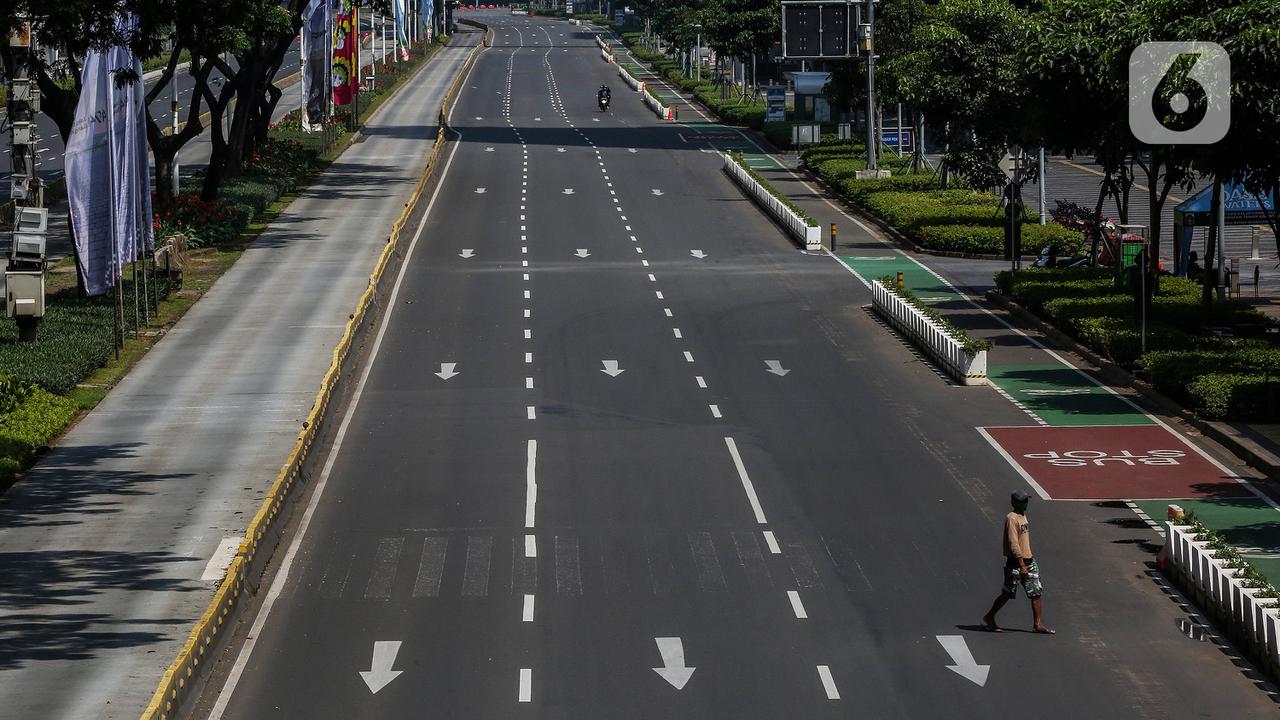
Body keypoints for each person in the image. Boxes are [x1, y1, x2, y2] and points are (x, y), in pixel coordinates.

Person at [983, 490, 1055, 634]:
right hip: (1016, 563)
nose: (1026, 503)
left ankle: (1037, 624)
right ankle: (989, 617)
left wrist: (1028, 561)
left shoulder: (1023, 516)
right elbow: (1013, 544)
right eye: (1023, 501)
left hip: (1029, 561)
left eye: (1026, 500)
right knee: (1007, 593)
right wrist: (1022, 565)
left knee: (1036, 592)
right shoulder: (1012, 518)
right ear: (1015, 503)